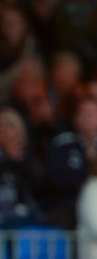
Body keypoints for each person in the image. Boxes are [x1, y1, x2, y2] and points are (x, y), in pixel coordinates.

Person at [0, 107, 45, 227]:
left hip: (25, 217)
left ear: (19, 129)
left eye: (9, 124)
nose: (3, 129)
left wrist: (19, 161)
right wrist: (7, 157)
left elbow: (38, 185)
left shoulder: (27, 155)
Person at [44, 97, 97, 229]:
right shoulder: (63, 143)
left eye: (92, 113)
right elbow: (56, 179)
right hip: (69, 206)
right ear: (75, 118)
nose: (87, 117)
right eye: (83, 113)